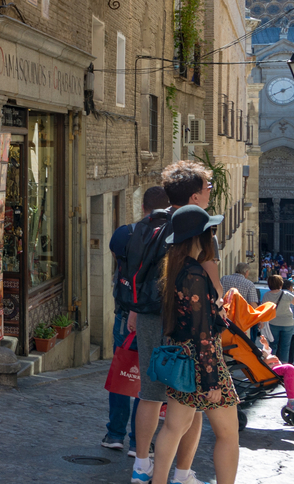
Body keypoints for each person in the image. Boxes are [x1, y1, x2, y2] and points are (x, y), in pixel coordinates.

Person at [127, 162, 212, 484]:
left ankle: (141, 466)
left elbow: (140, 270)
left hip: (150, 315)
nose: (208, 193)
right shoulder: (199, 227)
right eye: (208, 188)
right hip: (186, 320)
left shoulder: (153, 224)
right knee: (192, 397)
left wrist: (135, 308)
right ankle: (181, 473)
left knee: (150, 393)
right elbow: (210, 284)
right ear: (194, 194)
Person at [151, 205, 239, 484]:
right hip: (203, 361)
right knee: (229, 435)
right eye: (210, 232)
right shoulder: (196, 276)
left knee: (174, 428)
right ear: (198, 237)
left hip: (182, 359)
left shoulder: (176, 269)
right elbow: (202, 332)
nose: (212, 238)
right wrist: (212, 381)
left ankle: (158, 480)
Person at [102, 186, 169, 456]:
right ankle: (138, 442)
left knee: (123, 371)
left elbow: (120, 267)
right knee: (148, 378)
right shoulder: (174, 237)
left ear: (142, 207)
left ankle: (115, 434)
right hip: (157, 317)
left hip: (125, 313)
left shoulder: (126, 233)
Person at [258, 337, 294, 414]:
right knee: (289, 367)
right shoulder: (249, 354)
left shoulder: (255, 350)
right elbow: (258, 366)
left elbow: (266, 352)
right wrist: (269, 360)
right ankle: (291, 401)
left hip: (278, 368)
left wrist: (266, 345)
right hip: (270, 371)